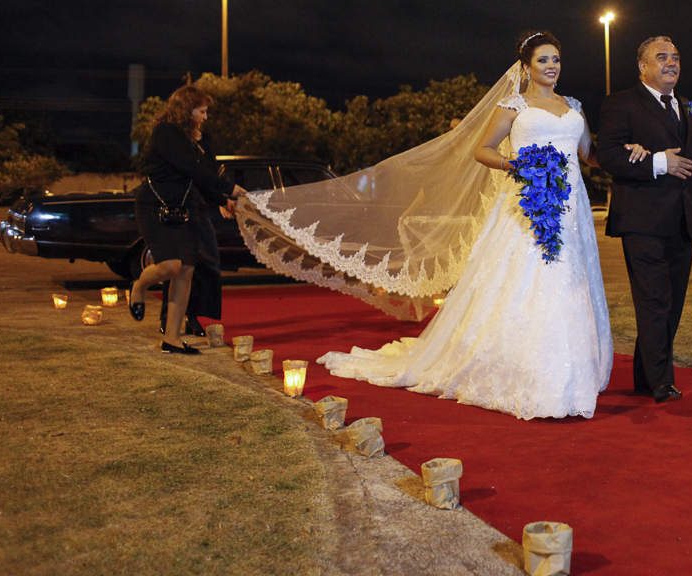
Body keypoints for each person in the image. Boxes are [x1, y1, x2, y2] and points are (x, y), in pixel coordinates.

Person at [238, 31, 645, 419]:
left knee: (568, 280)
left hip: (570, 210)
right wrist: (516, 165)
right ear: (526, 66)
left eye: (556, 59)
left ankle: (570, 376)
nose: (552, 66)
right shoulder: (513, 106)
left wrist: (626, 150)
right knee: (525, 280)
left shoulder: (573, 106)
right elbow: (482, 150)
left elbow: (590, 155)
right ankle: (521, 371)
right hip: (524, 205)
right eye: (543, 60)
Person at [597, 36, 692, 403]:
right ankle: (662, 382)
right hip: (641, 221)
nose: (672, 62)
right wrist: (658, 162)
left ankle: (645, 376)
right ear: (643, 66)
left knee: (672, 305)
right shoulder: (621, 103)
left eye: (676, 57)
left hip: (683, 222)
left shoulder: (691, 108)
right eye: (662, 56)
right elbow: (607, 155)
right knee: (654, 301)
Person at [129, 85, 247, 354]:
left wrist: (221, 200)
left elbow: (199, 179)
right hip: (155, 207)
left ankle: (171, 338)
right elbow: (190, 169)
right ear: (186, 109)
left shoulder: (194, 139)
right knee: (170, 266)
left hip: (187, 209)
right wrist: (229, 188)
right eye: (201, 111)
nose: (205, 117)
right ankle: (138, 285)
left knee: (185, 272)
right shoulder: (165, 132)